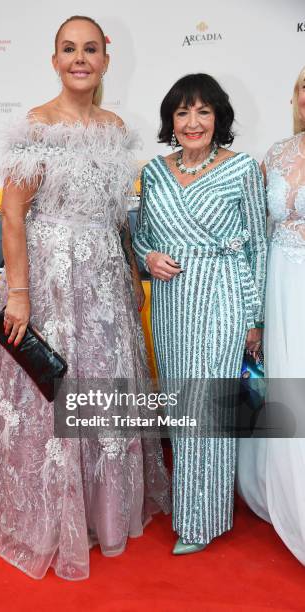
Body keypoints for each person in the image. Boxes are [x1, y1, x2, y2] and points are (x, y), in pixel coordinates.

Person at [0, 15, 170, 581]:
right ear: (54, 60)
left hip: (105, 283)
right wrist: (21, 296)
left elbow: (116, 217)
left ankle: (103, 513)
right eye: (69, 49)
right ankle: (50, 517)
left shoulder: (116, 127)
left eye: (91, 49)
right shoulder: (36, 126)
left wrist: (130, 275)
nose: (80, 58)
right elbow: (12, 215)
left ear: (105, 60)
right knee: (52, 394)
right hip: (49, 283)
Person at [133, 73, 267, 554]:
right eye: (183, 112)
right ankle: (194, 501)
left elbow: (258, 247)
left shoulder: (243, 169)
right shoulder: (153, 171)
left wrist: (255, 318)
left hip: (222, 296)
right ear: (171, 119)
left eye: (203, 112)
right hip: (171, 306)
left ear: (219, 118)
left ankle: (202, 520)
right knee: (180, 405)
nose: (193, 122)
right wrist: (148, 258)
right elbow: (141, 234)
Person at [237, 66, 305, 565]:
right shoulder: (275, 155)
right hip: (280, 281)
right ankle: (282, 484)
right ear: (294, 94)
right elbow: (253, 231)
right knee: (284, 381)